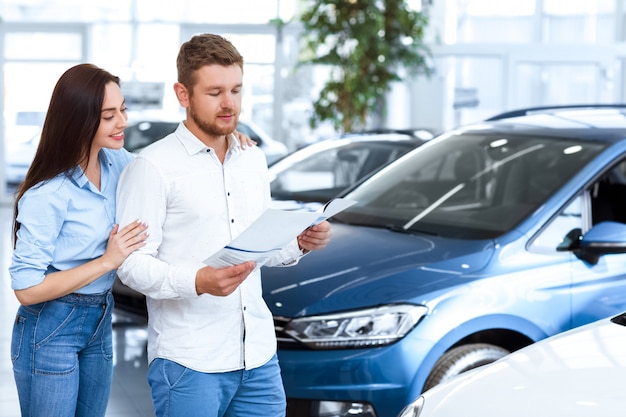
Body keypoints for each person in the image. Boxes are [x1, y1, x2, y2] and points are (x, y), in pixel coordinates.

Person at [115, 33, 332, 417]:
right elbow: (131, 265)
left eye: (236, 89)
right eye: (215, 92)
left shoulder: (252, 159)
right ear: (183, 94)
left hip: (259, 357)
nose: (229, 103)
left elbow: (258, 246)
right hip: (189, 362)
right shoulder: (152, 167)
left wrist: (298, 241)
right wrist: (198, 281)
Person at [9, 63, 149, 417]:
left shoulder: (117, 163)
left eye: (123, 110)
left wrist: (224, 139)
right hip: (52, 325)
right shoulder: (48, 193)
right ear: (79, 120)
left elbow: (164, 172)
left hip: (99, 318)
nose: (123, 122)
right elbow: (26, 288)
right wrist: (107, 261)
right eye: (109, 115)